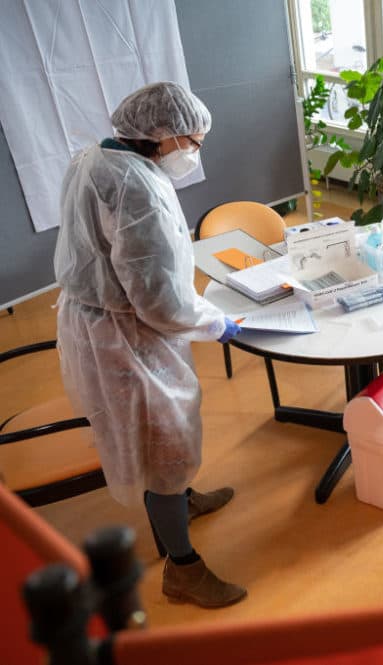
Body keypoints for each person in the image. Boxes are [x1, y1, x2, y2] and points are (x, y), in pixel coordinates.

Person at [54, 81, 246, 608]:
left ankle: (181, 500)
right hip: (126, 336)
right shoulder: (136, 188)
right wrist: (217, 323)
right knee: (163, 441)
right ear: (161, 134)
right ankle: (182, 568)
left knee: (166, 436)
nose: (194, 153)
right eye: (193, 141)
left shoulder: (98, 157)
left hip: (103, 320)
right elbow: (160, 300)